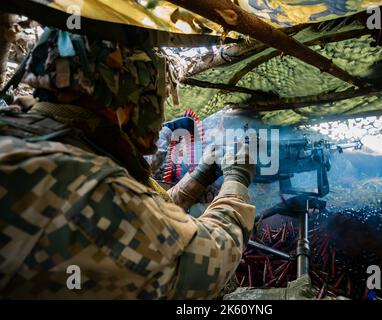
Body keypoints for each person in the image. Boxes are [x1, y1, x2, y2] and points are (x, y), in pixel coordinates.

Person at [0, 28, 256, 299]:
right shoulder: (88, 185)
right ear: (128, 95)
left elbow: (144, 214)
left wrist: (201, 175)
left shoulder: (33, 137)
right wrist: (237, 178)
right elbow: (209, 264)